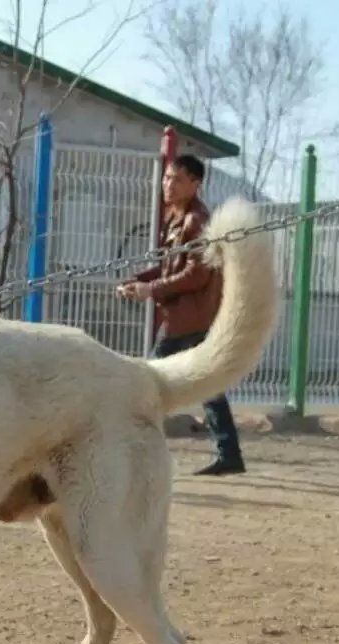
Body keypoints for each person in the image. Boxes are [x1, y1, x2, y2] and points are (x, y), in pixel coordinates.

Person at [118, 153, 245, 476]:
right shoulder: (178, 217)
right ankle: (229, 453)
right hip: (187, 317)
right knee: (209, 385)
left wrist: (152, 290)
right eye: (166, 178)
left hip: (187, 319)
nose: (167, 185)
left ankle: (128, 449)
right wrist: (140, 280)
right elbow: (168, 266)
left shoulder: (196, 221)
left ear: (195, 183)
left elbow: (196, 275)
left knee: (146, 381)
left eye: (176, 179)